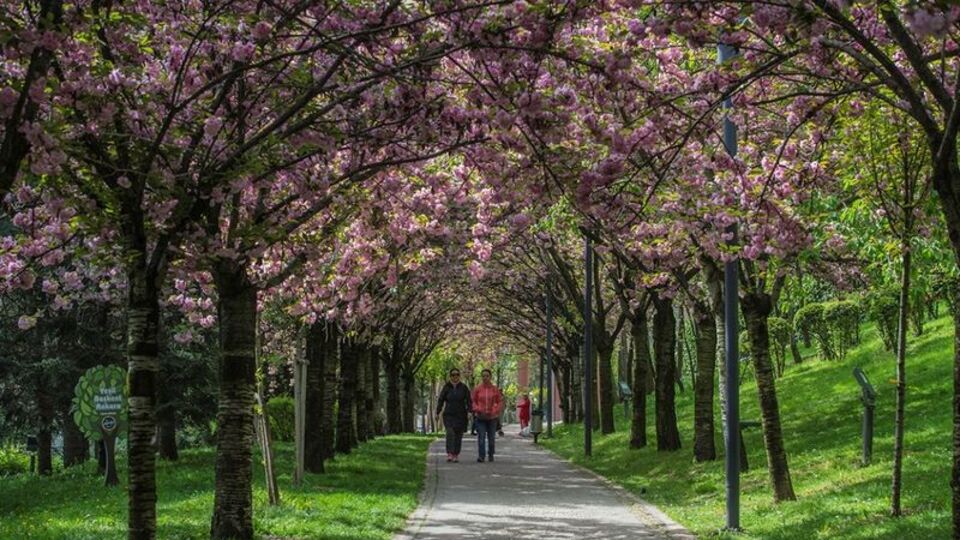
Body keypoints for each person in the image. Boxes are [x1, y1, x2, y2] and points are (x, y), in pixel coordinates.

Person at [436, 368, 471, 463]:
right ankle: (450, 453)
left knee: (458, 435)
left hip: (461, 415)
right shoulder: (446, 387)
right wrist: (437, 412)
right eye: (453, 375)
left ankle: (456, 454)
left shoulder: (464, 387)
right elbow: (441, 400)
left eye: (457, 375)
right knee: (450, 433)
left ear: (459, 376)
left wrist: (469, 412)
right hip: (449, 415)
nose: (455, 377)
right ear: (450, 376)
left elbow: (468, 400)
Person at [471, 368, 503, 462]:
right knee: (481, 437)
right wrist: (477, 409)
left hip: (492, 418)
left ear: (490, 377)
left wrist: (495, 410)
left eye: (487, 376)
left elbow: (499, 402)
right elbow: (473, 401)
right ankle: (481, 456)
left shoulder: (494, 389)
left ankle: (491, 454)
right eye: (483, 376)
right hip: (480, 417)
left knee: (491, 439)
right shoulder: (478, 389)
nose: (485, 378)